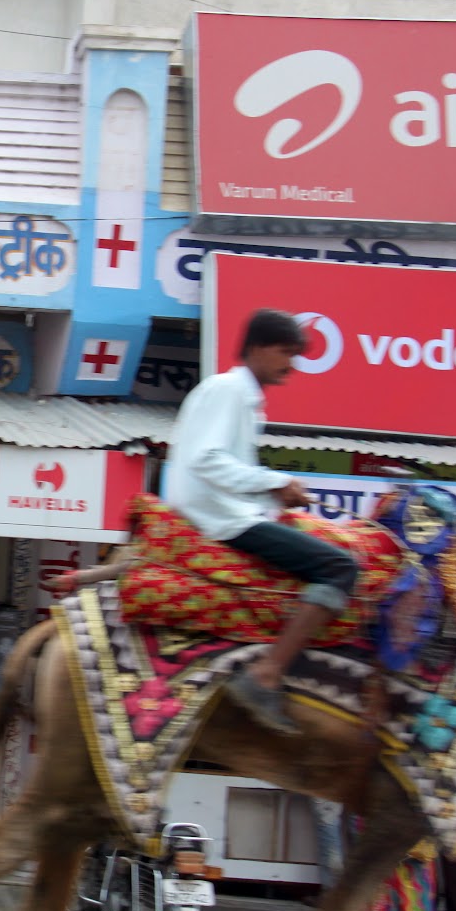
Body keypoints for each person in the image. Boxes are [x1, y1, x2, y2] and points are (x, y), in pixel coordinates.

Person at [163, 308, 359, 736]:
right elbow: (207, 460)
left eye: (295, 353)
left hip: (226, 511)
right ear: (255, 348)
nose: (291, 363)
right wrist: (275, 483)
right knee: (340, 566)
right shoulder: (229, 391)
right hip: (219, 517)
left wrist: (275, 494)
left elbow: (223, 467)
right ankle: (267, 673)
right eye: (284, 352)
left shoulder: (242, 397)